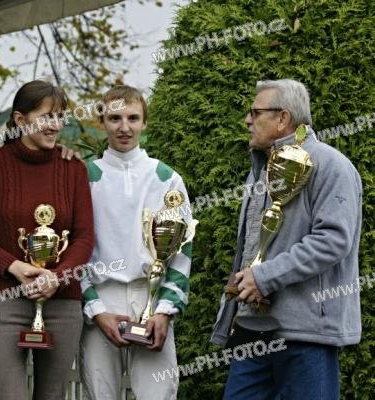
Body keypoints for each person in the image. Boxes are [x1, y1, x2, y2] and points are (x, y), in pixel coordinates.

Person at [211, 79, 362, 400]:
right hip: (252, 329)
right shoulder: (260, 169)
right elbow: (253, 245)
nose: (247, 120)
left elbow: (333, 240)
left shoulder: (332, 166)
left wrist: (264, 277)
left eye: (255, 112)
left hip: (307, 333)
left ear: (283, 118)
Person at [0, 80, 94, 400]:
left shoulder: (73, 168)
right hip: (5, 296)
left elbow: (84, 237)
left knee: (52, 395)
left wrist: (57, 277)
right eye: (46, 117)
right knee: (8, 394)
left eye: (60, 117)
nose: (55, 125)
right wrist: (12, 266)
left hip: (62, 300)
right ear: (20, 119)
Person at [79, 85, 195, 400]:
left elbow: (182, 251)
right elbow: (74, 252)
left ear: (145, 122)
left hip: (152, 299)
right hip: (103, 299)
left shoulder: (167, 178)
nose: (124, 127)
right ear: (101, 122)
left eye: (133, 118)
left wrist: (165, 310)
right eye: (115, 118)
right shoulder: (84, 177)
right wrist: (95, 309)